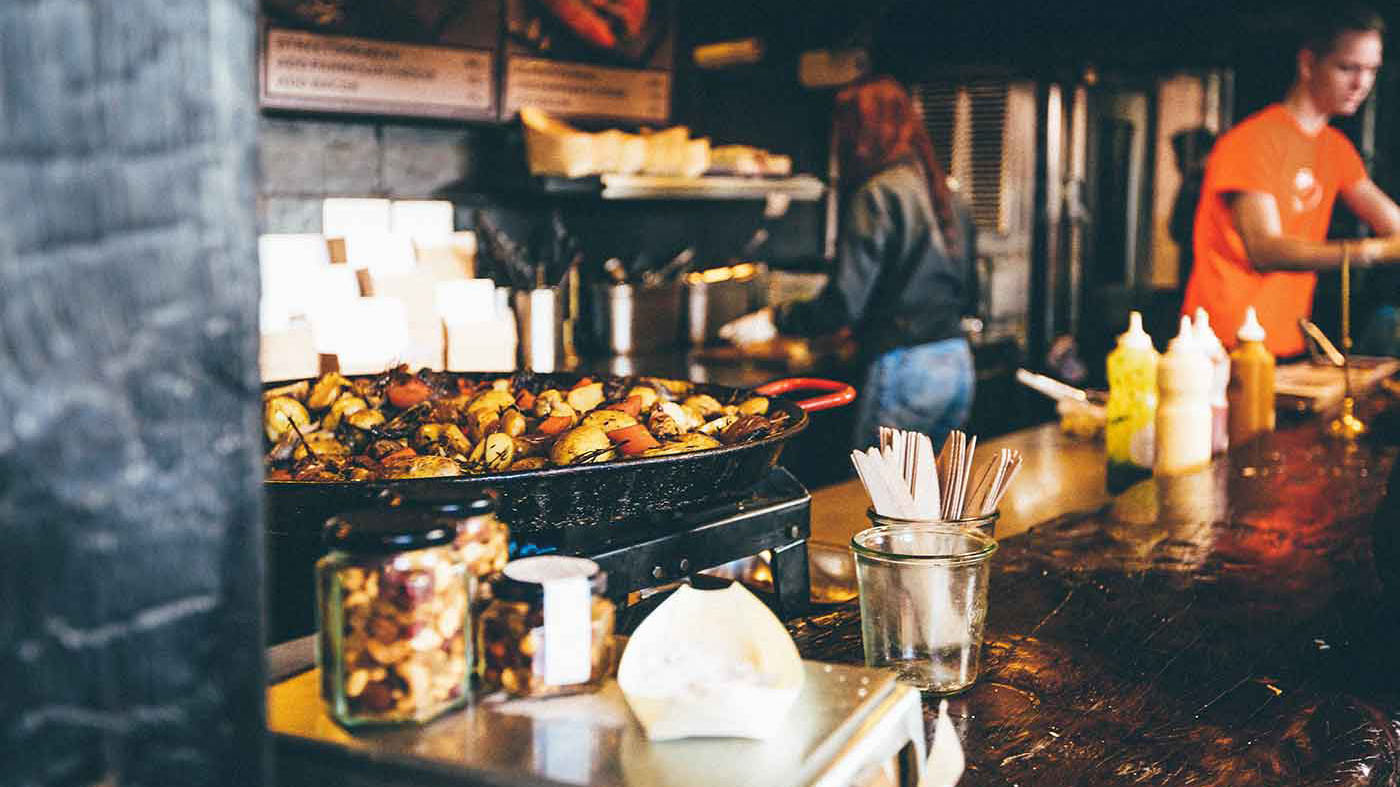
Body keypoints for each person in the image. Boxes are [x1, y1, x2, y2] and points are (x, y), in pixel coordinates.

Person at [720, 76, 978, 450]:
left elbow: (844, 303)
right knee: (932, 486)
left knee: (879, 484)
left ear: (863, 134)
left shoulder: (877, 192)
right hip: (955, 363)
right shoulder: (944, 189)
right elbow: (970, 290)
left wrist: (775, 320)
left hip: (904, 367)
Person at [1182, 3, 1400, 358]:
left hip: (1286, 343)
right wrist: (1367, 252)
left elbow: (1395, 226)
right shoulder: (1252, 141)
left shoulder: (1335, 148)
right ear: (1308, 64)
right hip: (1222, 346)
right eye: (1348, 68)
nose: (1362, 84)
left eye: (1371, 70)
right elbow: (1264, 249)